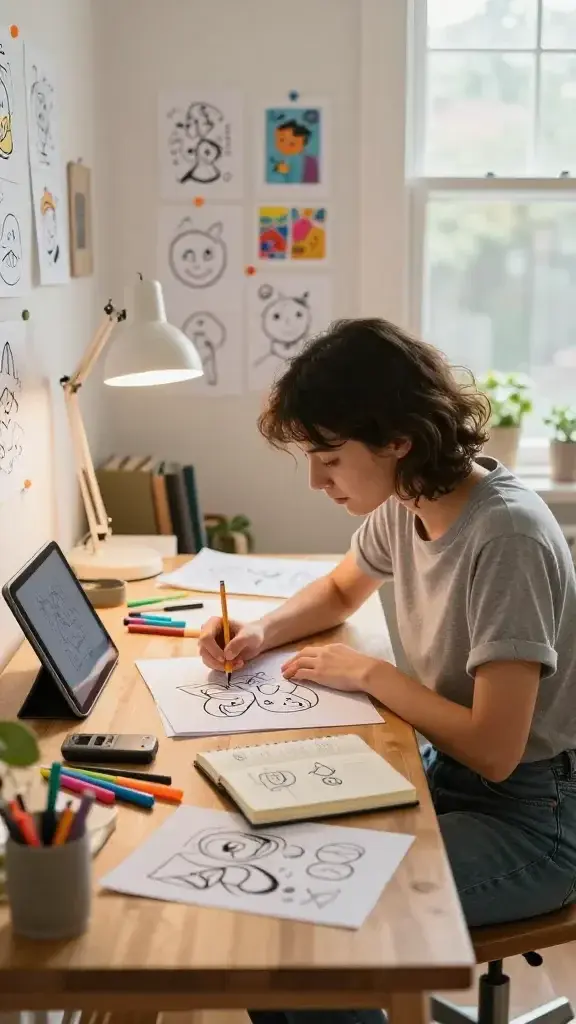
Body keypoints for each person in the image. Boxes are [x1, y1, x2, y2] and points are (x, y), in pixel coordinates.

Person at [199, 318, 576, 1024]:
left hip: (534, 820)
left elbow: (497, 752)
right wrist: (259, 631)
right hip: (445, 779)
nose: (316, 480)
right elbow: (342, 589)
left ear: (398, 439)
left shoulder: (508, 538)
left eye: (330, 458)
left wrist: (373, 676)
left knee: (314, 922)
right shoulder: (410, 502)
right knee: (265, 901)